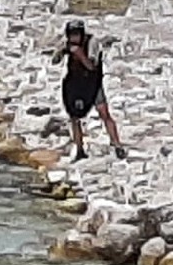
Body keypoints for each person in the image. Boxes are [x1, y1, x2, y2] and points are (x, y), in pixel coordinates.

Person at [51, 19, 126, 161]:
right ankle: (79, 150)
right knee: (74, 117)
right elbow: (55, 60)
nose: (74, 38)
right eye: (71, 35)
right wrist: (61, 52)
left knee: (104, 112)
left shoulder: (92, 43)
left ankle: (117, 145)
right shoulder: (67, 43)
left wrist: (79, 54)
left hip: (92, 83)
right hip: (75, 83)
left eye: (76, 35)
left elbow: (91, 66)